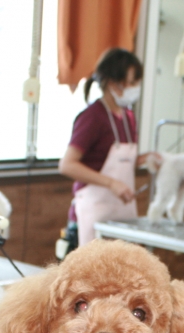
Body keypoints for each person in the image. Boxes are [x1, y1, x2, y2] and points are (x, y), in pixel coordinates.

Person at [58, 48, 150, 247]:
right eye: (131, 83)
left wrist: (146, 159)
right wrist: (111, 183)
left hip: (121, 213)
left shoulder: (129, 117)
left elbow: (122, 162)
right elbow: (67, 165)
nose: (135, 88)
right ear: (112, 83)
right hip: (93, 212)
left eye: (137, 83)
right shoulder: (93, 117)